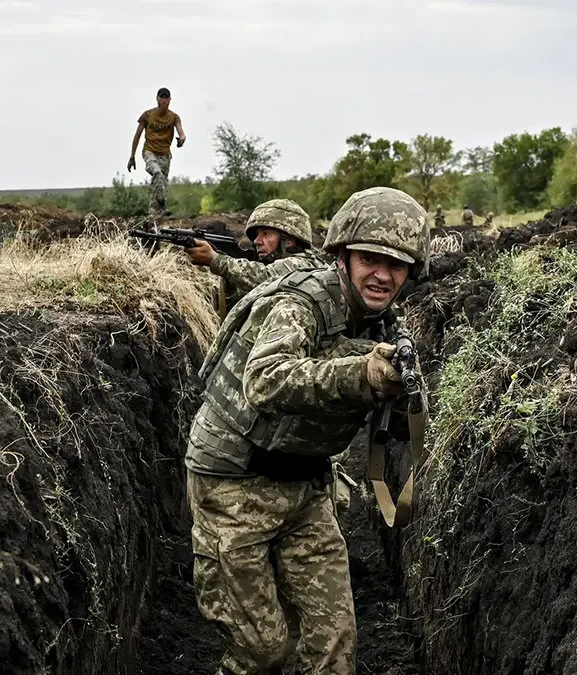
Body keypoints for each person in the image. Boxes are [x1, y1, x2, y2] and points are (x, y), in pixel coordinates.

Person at [185, 186, 430, 674]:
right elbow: (264, 379)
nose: (383, 275)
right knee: (262, 652)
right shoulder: (302, 304)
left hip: (306, 485)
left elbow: (396, 423)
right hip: (234, 483)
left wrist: (399, 394)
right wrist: (360, 374)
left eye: (397, 264)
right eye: (370, 259)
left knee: (333, 646)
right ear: (343, 256)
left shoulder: (383, 323)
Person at [183, 198, 325, 299]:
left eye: (266, 234)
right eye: (257, 235)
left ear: (289, 241)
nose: (257, 241)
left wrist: (215, 259)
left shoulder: (303, 265)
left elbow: (264, 276)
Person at [128, 87, 185, 216]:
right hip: (150, 151)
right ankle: (162, 204)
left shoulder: (174, 117)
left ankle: (154, 214)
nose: (163, 100)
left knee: (160, 184)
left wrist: (182, 139)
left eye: (166, 98)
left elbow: (181, 132)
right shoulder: (148, 115)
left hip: (165, 154)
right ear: (157, 99)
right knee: (157, 173)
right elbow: (137, 136)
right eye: (161, 97)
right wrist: (132, 156)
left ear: (169, 100)